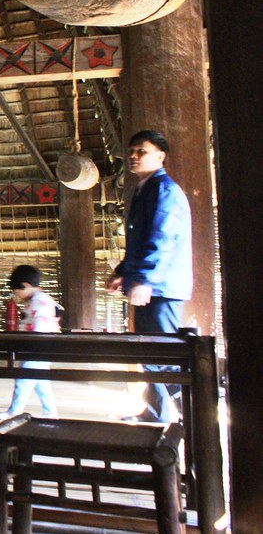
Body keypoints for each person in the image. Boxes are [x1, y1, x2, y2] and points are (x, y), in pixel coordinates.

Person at [106, 130, 192, 423]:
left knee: (165, 356)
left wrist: (145, 280)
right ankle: (155, 412)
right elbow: (141, 241)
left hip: (162, 288)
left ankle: (192, 414)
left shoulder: (164, 190)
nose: (133, 155)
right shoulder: (145, 190)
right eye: (131, 150)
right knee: (151, 354)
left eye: (141, 151)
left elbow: (163, 238)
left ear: (160, 156)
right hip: (150, 285)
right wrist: (123, 273)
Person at [0, 265, 60, 419]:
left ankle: (14, 411)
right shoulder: (38, 299)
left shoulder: (39, 301)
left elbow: (40, 326)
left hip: (37, 347)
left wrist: (33, 343)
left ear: (25, 286)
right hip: (39, 348)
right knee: (41, 382)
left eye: (17, 291)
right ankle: (50, 412)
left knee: (23, 378)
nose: (17, 295)